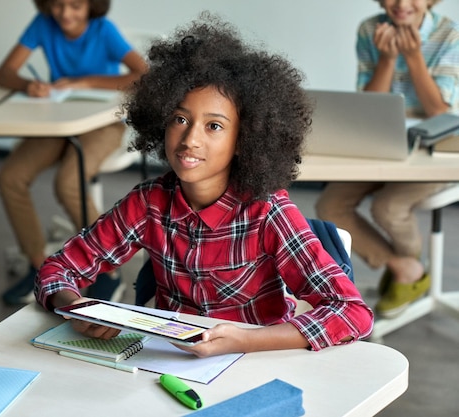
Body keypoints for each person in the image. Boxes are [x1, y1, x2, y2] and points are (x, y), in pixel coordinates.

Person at [34, 14, 374, 356]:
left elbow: (353, 313)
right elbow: (57, 269)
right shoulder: (148, 203)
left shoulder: (268, 212)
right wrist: (76, 308)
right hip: (166, 359)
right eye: (180, 119)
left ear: (244, 140)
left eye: (214, 126)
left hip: (254, 359)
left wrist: (244, 341)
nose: (190, 139)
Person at [0, 0, 148, 305]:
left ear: (92, 5)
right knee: (10, 176)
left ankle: (107, 272)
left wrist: (85, 81)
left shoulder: (103, 30)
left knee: (68, 182)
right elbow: (4, 73)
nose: (65, 14)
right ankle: (40, 267)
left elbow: (141, 74)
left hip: (102, 124)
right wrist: (29, 85)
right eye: (58, 5)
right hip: (58, 121)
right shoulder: (42, 25)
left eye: (75, 5)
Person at [316, 0, 459, 319]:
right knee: (329, 206)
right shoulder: (370, 29)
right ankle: (405, 268)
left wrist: (413, 56)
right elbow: (367, 105)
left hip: (435, 148)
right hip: (383, 142)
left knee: (388, 207)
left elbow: (439, 111)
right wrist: (388, 59)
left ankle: (407, 278)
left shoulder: (449, 34)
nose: (402, 4)